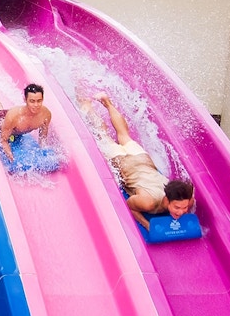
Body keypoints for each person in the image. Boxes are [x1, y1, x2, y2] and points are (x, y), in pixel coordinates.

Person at [83, 92, 195, 230]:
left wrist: (185, 205)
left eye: (184, 208)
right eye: (177, 207)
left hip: (142, 159)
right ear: (166, 200)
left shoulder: (186, 200)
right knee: (103, 135)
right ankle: (87, 103)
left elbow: (191, 197)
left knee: (124, 134)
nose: (182, 212)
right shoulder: (148, 203)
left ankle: (107, 101)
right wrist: (147, 225)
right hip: (124, 163)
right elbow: (129, 205)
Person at [0, 83, 52, 163]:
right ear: (25, 100)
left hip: (15, 132)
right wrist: (12, 158)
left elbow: (43, 138)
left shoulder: (45, 115)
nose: (36, 105)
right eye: (32, 101)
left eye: (39, 101)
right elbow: (3, 140)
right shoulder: (14, 116)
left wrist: (44, 153)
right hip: (0, 125)